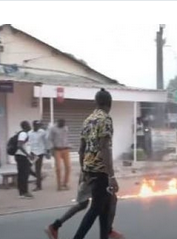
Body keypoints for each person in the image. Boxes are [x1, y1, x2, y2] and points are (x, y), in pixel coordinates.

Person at [71, 88, 121, 239]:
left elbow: (81, 149)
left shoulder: (88, 120)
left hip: (89, 169)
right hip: (101, 171)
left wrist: (84, 171)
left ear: (96, 102)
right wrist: (111, 176)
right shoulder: (105, 119)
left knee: (105, 208)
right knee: (96, 209)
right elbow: (104, 147)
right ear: (109, 104)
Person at [48, 119, 71, 191]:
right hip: (57, 150)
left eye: (64, 124)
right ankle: (59, 185)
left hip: (65, 149)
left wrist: (68, 145)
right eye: (62, 124)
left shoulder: (65, 128)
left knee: (68, 167)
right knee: (58, 168)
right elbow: (50, 139)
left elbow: (66, 138)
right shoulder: (53, 129)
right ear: (58, 123)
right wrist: (51, 150)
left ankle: (65, 183)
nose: (63, 125)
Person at [15, 121, 34, 199]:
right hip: (22, 156)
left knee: (23, 174)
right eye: (28, 125)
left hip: (22, 156)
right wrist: (27, 154)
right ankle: (24, 192)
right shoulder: (23, 134)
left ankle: (22, 192)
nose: (30, 126)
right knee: (24, 175)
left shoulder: (25, 134)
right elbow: (19, 145)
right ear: (25, 126)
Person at [29, 120, 49, 191]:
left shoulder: (42, 132)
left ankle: (39, 186)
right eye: (37, 125)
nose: (38, 127)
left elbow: (46, 141)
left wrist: (47, 151)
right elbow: (29, 143)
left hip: (40, 153)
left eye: (39, 125)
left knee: (38, 169)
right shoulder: (29, 133)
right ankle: (39, 178)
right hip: (32, 153)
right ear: (34, 125)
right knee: (28, 168)